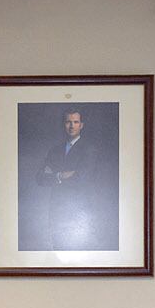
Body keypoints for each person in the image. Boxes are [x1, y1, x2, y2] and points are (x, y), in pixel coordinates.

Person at [34, 107, 116, 252]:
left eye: (75, 122)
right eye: (68, 122)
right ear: (64, 124)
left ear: (81, 125)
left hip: (79, 208)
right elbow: (40, 178)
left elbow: (83, 178)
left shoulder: (89, 150)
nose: (72, 126)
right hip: (57, 208)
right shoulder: (55, 150)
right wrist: (61, 175)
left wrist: (54, 175)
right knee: (58, 251)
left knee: (79, 253)